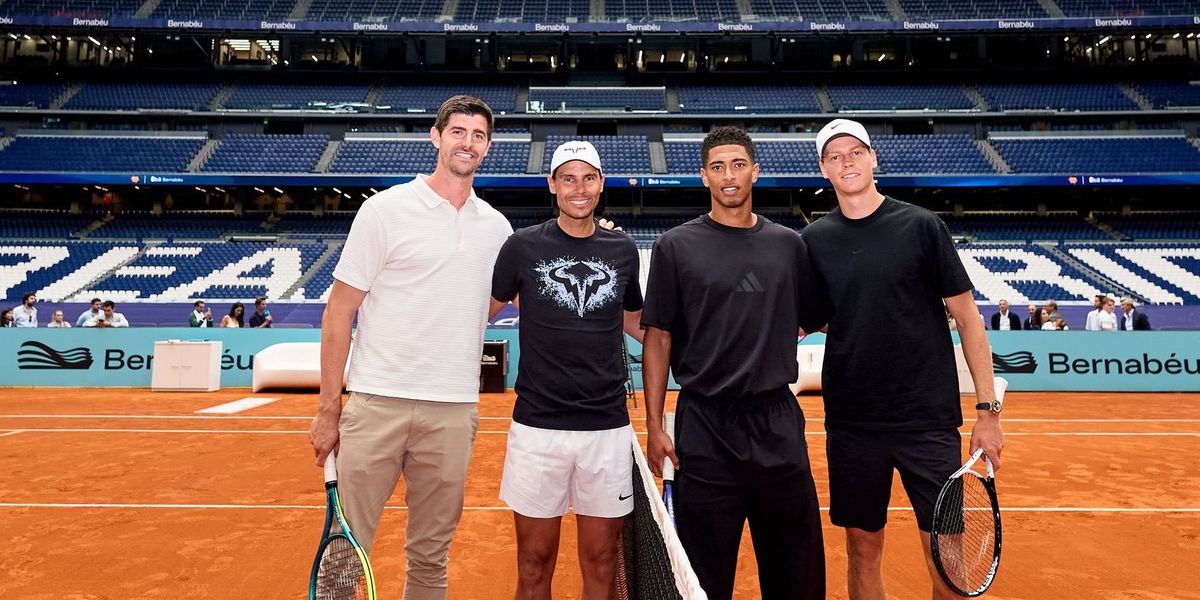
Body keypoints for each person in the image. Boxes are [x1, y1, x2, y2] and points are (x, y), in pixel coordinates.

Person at [307, 95, 514, 600]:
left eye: (479, 135)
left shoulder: (498, 228)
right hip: (377, 402)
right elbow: (338, 312)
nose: (468, 143)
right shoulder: (384, 210)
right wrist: (328, 407)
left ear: (488, 147)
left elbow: (483, 306)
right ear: (436, 137)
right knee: (344, 550)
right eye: (459, 132)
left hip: (453, 410)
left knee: (430, 555)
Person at [801, 119, 1004, 600]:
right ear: (823, 169)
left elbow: (969, 319)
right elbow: (814, 319)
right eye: (835, 156)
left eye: (855, 152)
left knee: (947, 558)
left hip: (927, 422)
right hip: (852, 423)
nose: (846, 162)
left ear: (873, 158)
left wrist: (987, 411)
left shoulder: (922, 225)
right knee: (862, 549)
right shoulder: (813, 241)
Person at [642, 126, 826, 600]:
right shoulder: (675, 246)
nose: (729, 176)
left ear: (755, 172)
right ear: (704, 176)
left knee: (795, 570)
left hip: (777, 422)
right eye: (718, 167)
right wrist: (654, 423)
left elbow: (814, 316)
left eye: (738, 165)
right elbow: (658, 338)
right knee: (702, 574)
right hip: (705, 424)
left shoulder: (789, 244)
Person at [491, 141, 645, 600]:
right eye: (568, 178)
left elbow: (637, 322)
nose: (579, 188)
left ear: (601, 185)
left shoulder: (622, 249)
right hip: (537, 428)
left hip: (606, 429)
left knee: (601, 563)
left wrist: (704, 348)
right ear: (552, 185)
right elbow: (482, 308)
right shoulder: (520, 246)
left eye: (588, 178)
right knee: (534, 565)